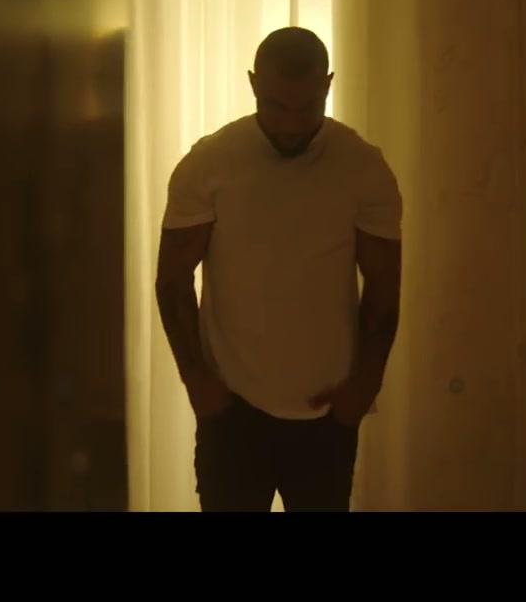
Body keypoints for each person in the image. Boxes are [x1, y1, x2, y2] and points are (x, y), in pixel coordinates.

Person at [154, 27, 403, 512]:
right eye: (276, 105)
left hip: (327, 412)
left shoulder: (363, 168)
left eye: (307, 107)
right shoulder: (209, 164)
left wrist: (363, 388)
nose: (291, 124)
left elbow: (384, 286)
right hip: (232, 410)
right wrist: (197, 380)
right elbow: (173, 280)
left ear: (328, 85)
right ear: (252, 84)